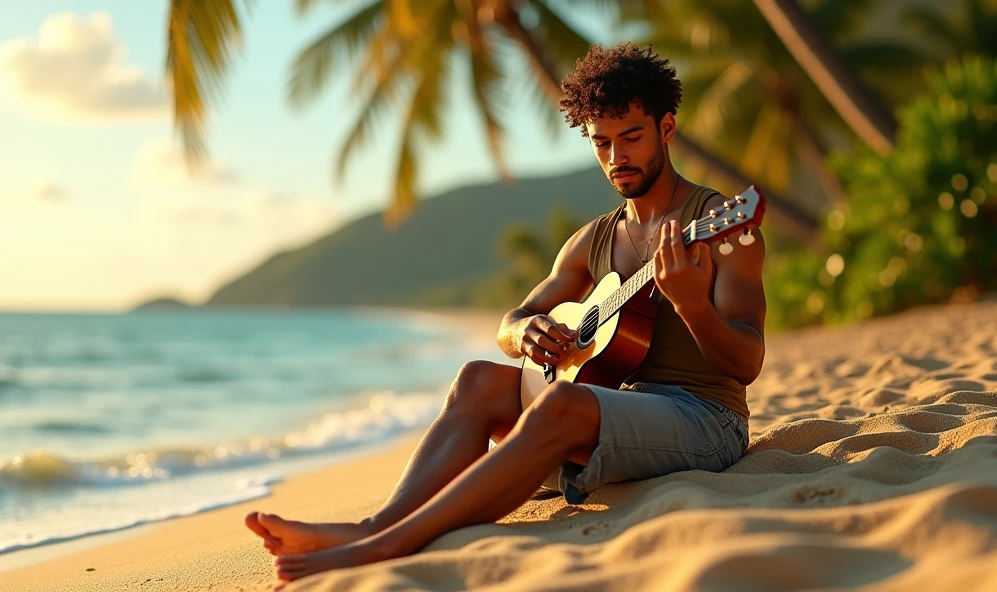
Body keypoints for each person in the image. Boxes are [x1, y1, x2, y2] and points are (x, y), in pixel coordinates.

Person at [245, 42, 766, 582]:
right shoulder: (595, 238)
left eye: (631, 137)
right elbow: (511, 320)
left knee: (563, 403)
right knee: (478, 381)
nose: (617, 158)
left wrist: (691, 306)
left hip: (706, 421)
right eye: (601, 144)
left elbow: (746, 362)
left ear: (666, 128)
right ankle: (373, 526)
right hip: (615, 410)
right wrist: (526, 333)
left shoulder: (717, 224)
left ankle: (387, 547)